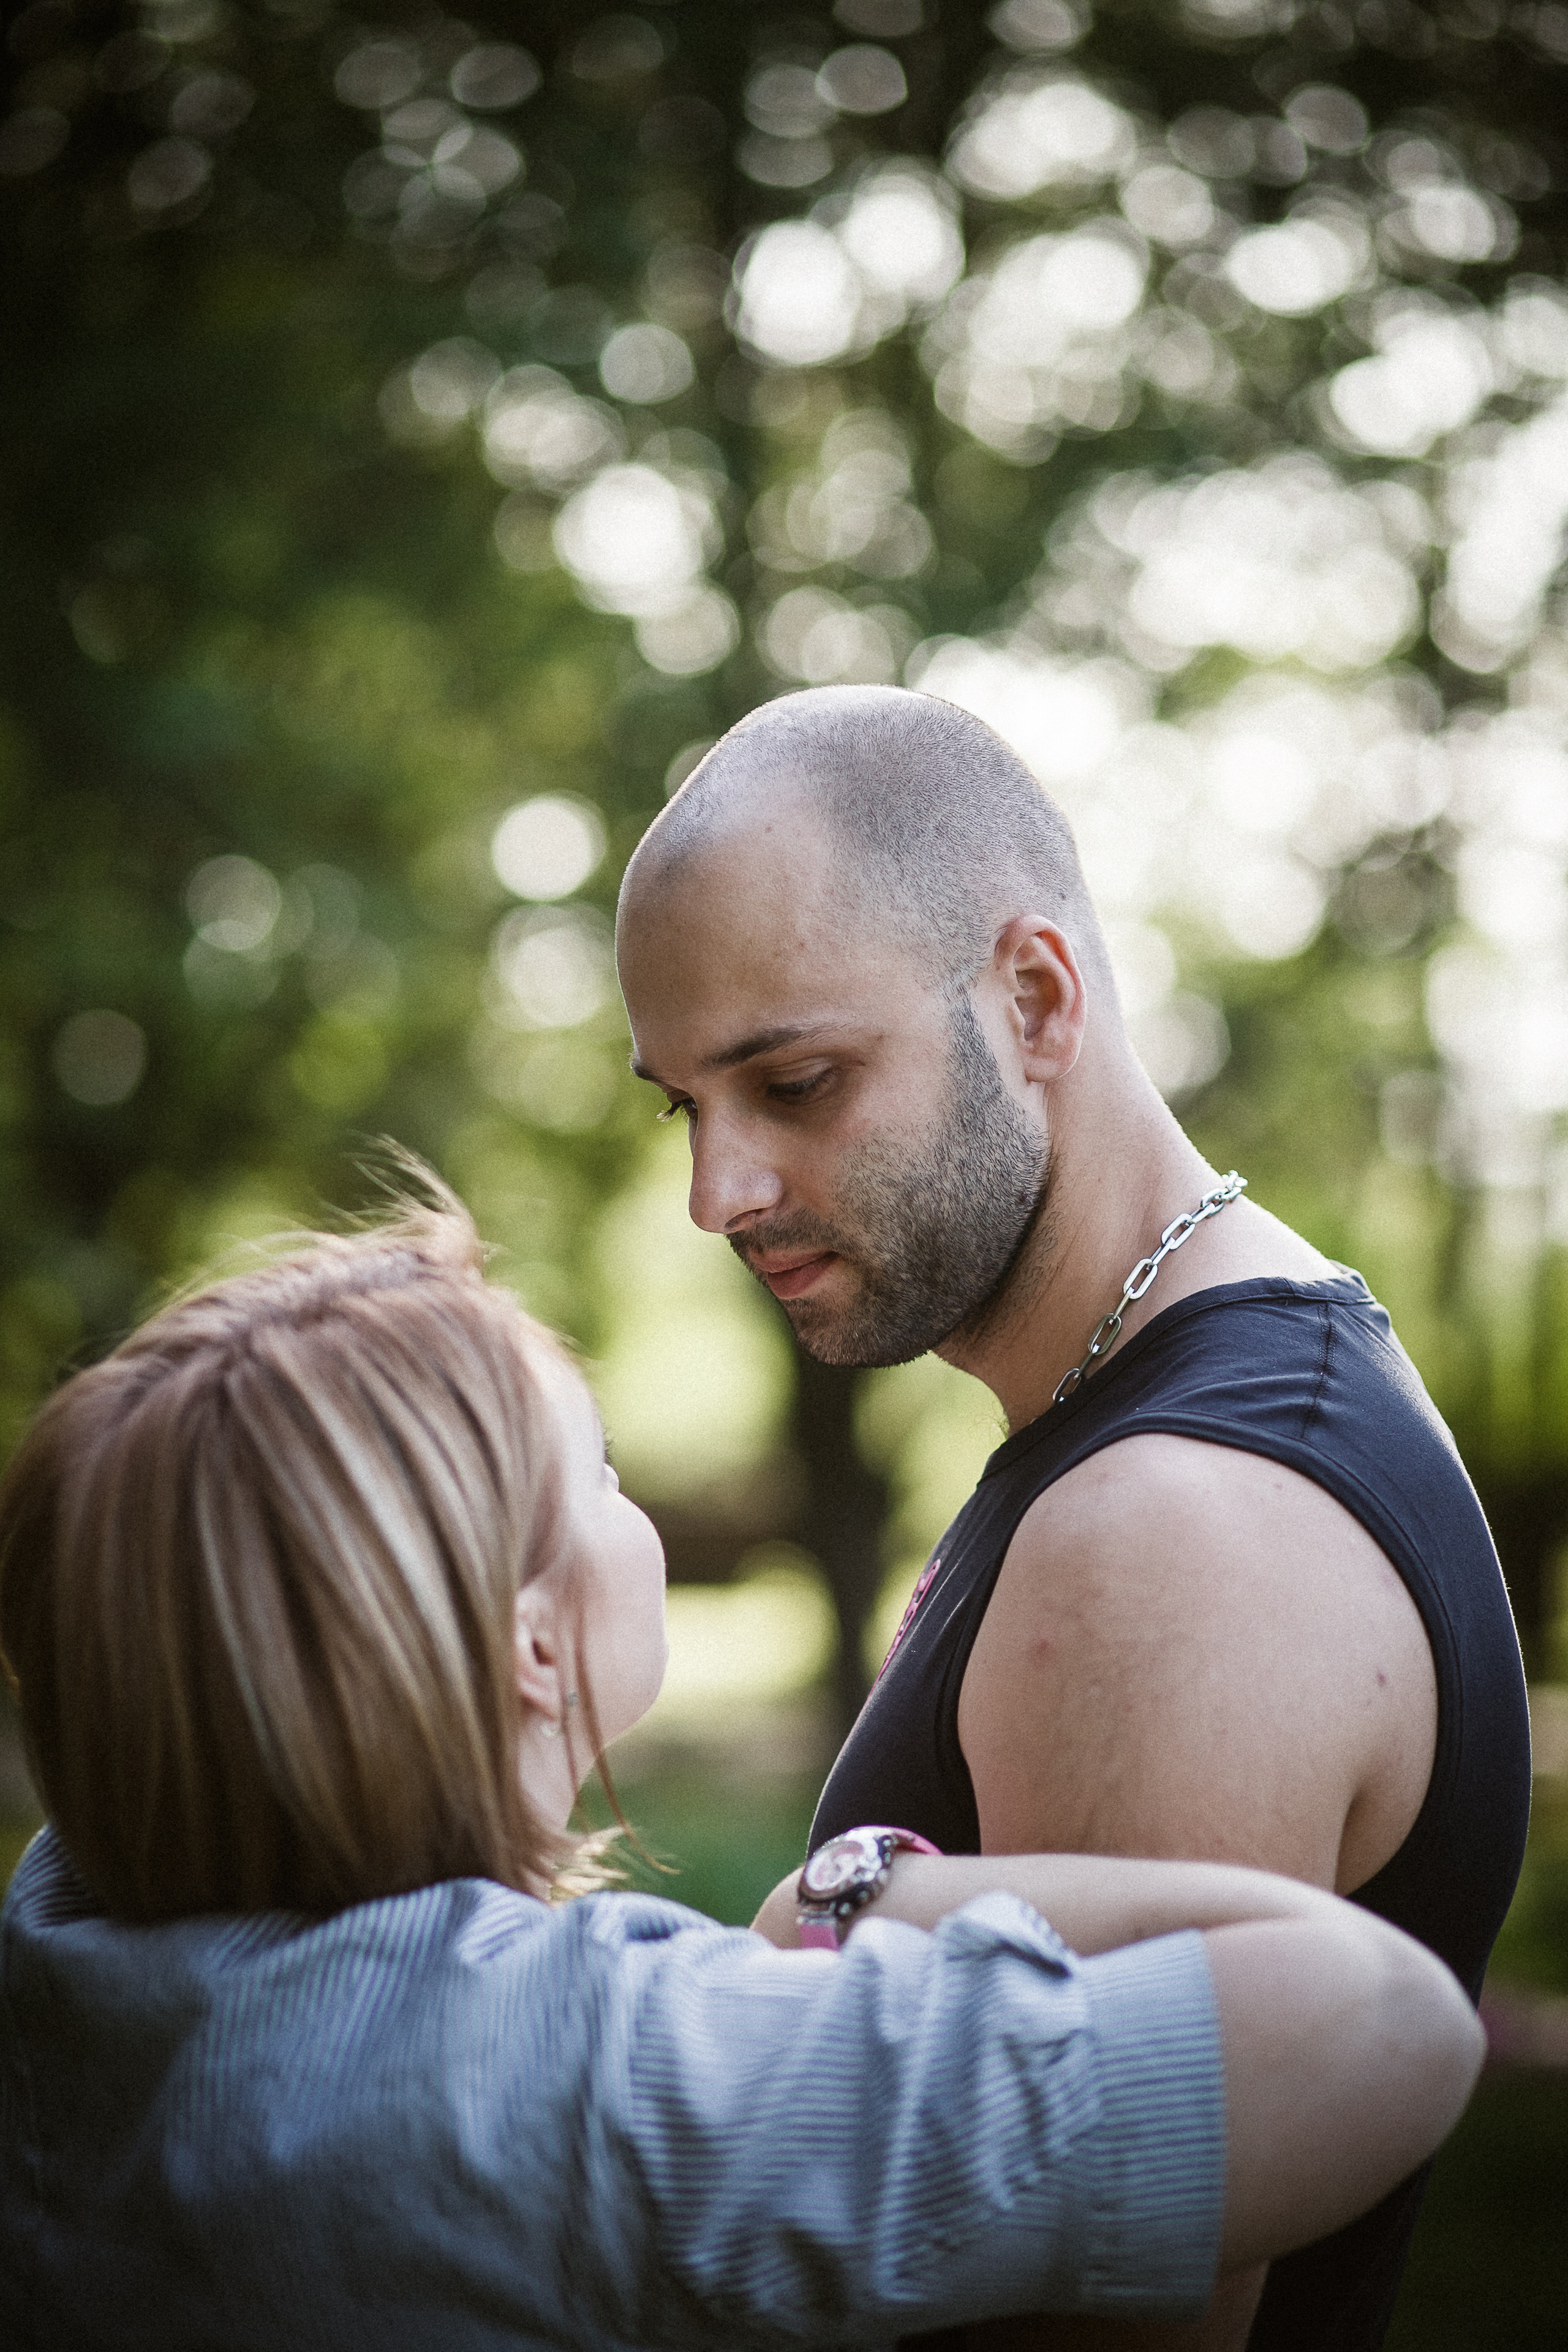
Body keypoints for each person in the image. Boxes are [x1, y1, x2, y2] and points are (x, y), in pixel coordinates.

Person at [0, 1186, 1483, 2352]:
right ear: (530, 1647)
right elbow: (1386, 2028)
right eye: (598, 1471)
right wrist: (852, 1901)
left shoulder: (58, 1959)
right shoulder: (622, 2083)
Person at [615, 684, 1533, 2352]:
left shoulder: (1172, 1538)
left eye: (797, 1082)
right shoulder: (1193, 1396)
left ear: (1036, 998)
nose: (715, 1195)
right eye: (685, 1104)